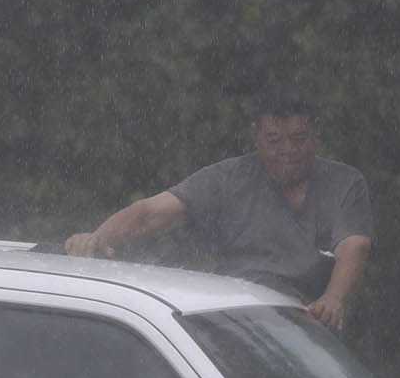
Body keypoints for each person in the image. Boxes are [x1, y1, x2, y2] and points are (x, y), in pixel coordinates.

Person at [66, 88, 374, 330]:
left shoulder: (345, 183)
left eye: (298, 139)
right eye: (274, 140)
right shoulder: (228, 178)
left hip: (312, 327)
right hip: (239, 320)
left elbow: (355, 245)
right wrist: (98, 238)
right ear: (255, 137)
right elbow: (152, 212)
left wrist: (334, 298)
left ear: (316, 133)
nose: (287, 151)